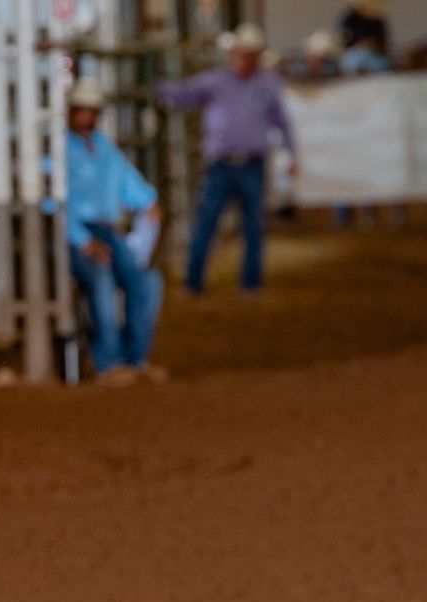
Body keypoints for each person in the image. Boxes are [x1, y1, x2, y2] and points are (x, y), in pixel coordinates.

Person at [158, 24, 297, 296]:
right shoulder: (215, 81)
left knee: (252, 226)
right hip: (221, 163)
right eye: (241, 52)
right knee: (207, 222)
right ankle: (194, 282)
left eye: (249, 53)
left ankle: (250, 283)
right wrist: (160, 88)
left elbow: (282, 122)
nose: (244, 58)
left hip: (252, 162)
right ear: (233, 54)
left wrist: (292, 152)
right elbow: (183, 94)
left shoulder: (267, 85)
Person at [63, 79, 163, 385]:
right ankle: (109, 362)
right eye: (82, 111)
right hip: (75, 236)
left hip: (107, 231)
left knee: (147, 282)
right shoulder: (59, 150)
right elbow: (54, 205)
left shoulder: (104, 148)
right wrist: (83, 241)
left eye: (92, 111)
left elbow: (131, 185)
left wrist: (149, 203)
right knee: (103, 276)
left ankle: (136, 359)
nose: (87, 117)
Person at [340, 0, 392, 69]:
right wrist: (361, 45)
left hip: (375, 56)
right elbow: (344, 41)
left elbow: (384, 41)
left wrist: (374, 46)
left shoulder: (377, 20)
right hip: (355, 55)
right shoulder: (349, 19)